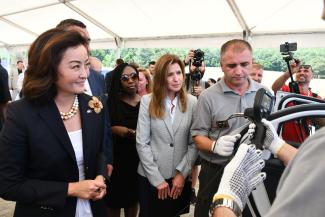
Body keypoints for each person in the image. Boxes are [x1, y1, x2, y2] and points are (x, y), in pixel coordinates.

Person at [0, 28, 108, 217]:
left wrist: (100, 176)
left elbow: (99, 153)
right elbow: (8, 184)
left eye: (86, 65)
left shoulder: (93, 105)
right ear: (48, 67)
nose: (85, 74)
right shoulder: (21, 113)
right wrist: (72, 189)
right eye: (75, 66)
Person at [190, 39, 268, 217]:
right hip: (215, 170)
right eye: (232, 65)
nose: (239, 71)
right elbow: (197, 136)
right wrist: (213, 145)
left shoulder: (264, 93)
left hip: (251, 172)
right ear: (221, 66)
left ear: (251, 62)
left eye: (244, 64)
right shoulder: (208, 97)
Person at [136, 54, 198, 217]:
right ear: (161, 77)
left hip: (179, 178)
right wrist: (156, 179)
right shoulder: (147, 101)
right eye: (170, 74)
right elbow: (142, 143)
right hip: (151, 176)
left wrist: (181, 174)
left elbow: (193, 144)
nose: (176, 79)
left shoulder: (192, 102)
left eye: (179, 73)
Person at [56, 18, 113, 177]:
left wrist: (107, 158)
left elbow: (105, 123)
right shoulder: (31, 102)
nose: (85, 46)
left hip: (94, 171)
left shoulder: (97, 78)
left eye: (87, 41)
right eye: (78, 39)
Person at [105, 63, 141, 217]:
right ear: (118, 81)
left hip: (138, 159)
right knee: (113, 203)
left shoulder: (147, 102)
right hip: (116, 160)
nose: (131, 81)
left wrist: (128, 132)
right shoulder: (110, 102)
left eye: (134, 76)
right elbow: (102, 129)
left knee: (132, 202)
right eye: (125, 78)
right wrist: (113, 130)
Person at [271, 62, 322, 144]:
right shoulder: (286, 90)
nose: (302, 73)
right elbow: (274, 88)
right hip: (281, 143)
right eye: (299, 71)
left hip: (302, 144)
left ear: (313, 76)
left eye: (306, 71)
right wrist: (289, 73)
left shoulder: (315, 98)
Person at [0, 59, 11, 130]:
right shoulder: (4, 70)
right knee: (4, 116)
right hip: (5, 97)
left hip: (1, 98)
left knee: (3, 117)